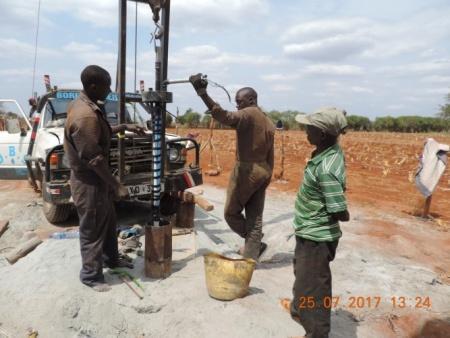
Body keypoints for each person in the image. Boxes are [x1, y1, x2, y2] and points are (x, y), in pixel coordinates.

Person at [64, 65, 145, 292]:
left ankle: (112, 260)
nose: (110, 90)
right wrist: (116, 185)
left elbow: (101, 132)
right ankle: (91, 276)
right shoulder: (85, 115)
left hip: (97, 180)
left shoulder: (86, 106)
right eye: (106, 86)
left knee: (108, 221)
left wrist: (125, 127)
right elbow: (95, 160)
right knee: (92, 229)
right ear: (92, 86)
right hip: (89, 181)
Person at [189, 74, 275, 260]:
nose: (237, 105)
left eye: (239, 101)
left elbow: (225, 116)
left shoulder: (249, 113)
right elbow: (271, 154)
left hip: (247, 171)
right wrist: (267, 175)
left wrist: (203, 94)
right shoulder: (267, 120)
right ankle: (252, 254)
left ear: (251, 100)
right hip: (263, 171)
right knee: (254, 217)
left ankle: (254, 242)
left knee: (230, 213)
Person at [281, 107, 349, 338]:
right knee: (302, 274)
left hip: (317, 237)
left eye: (309, 128)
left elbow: (337, 208)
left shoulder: (327, 169)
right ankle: (299, 309)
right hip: (308, 230)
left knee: (314, 287)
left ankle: (317, 331)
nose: (305, 131)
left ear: (321, 134)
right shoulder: (325, 151)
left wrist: (344, 216)